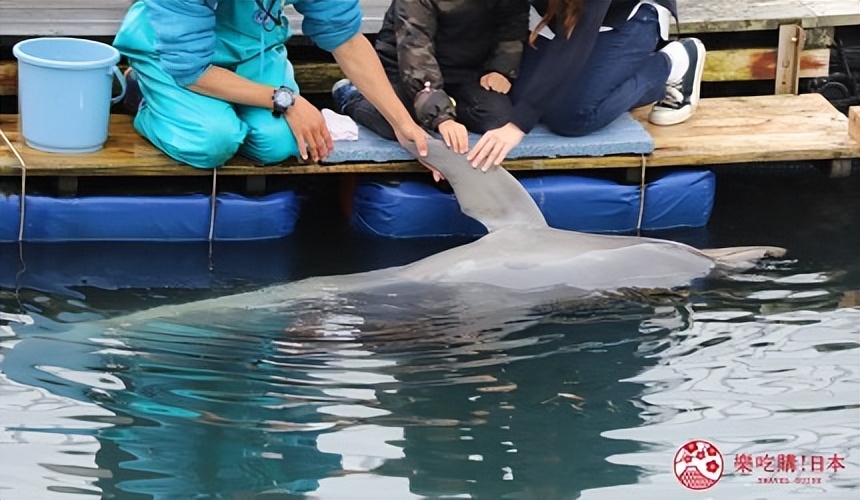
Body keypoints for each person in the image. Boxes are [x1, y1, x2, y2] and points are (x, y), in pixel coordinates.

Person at [113, 0, 428, 169]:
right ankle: (142, 94)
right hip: (175, 56)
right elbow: (191, 69)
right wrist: (285, 98)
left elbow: (344, 37)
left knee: (279, 145)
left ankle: (221, 109)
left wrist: (401, 122)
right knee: (213, 141)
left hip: (253, 50)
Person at [467, 0, 706, 170]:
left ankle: (673, 62)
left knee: (572, 116)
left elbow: (578, 37)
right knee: (520, 97)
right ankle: (608, 78)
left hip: (625, 16)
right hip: (552, 15)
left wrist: (516, 126)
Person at [331, 0, 530, 154]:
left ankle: (439, 108)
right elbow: (415, 50)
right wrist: (442, 118)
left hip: (465, 72)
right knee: (393, 125)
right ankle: (351, 95)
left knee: (497, 117)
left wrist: (502, 67)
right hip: (405, 72)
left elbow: (513, 25)